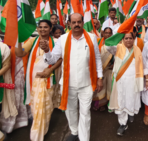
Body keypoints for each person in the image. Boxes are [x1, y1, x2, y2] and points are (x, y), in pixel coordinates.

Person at [43, 13, 103, 141]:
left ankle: (84, 138)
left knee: (85, 112)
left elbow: (97, 58)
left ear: (82, 23)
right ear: (69, 23)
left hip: (87, 83)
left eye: (79, 22)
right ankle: (74, 132)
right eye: (74, 22)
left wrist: (100, 77)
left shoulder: (91, 38)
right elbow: (52, 59)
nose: (76, 24)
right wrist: (47, 50)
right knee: (70, 111)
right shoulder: (63, 39)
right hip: (68, 84)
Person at [15, 20, 63, 141]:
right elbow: (20, 53)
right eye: (40, 27)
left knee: (45, 108)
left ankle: (39, 133)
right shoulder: (32, 41)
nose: (42, 29)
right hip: (34, 80)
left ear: (50, 28)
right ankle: (37, 133)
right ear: (37, 28)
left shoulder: (57, 42)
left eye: (45, 27)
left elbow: (60, 59)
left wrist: (49, 70)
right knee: (36, 107)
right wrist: (19, 40)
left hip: (48, 80)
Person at [105, 32, 144, 136]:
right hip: (120, 81)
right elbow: (107, 44)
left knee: (130, 99)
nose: (128, 40)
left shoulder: (137, 50)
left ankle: (130, 113)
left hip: (133, 81)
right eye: (126, 38)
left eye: (130, 38)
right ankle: (123, 124)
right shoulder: (118, 48)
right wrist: (120, 34)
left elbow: (141, 65)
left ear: (134, 39)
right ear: (123, 39)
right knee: (121, 101)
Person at [92, 27, 114, 111]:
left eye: (109, 33)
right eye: (106, 33)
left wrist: (114, 64)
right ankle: (97, 102)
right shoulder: (97, 41)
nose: (108, 35)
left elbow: (117, 55)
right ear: (103, 34)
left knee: (106, 86)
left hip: (108, 68)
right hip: (98, 68)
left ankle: (102, 104)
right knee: (99, 85)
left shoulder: (113, 43)